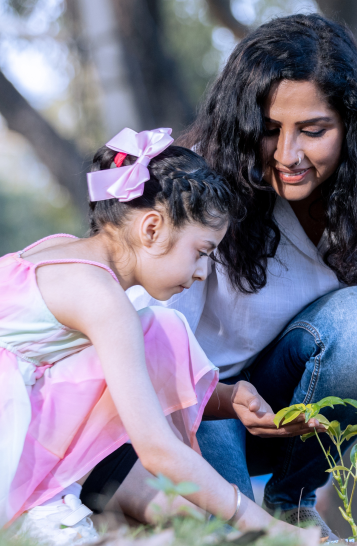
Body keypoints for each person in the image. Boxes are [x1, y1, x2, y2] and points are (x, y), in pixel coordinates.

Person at [123, 14, 357, 539]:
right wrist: (227, 403)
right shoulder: (202, 185)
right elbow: (153, 357)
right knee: (234, 534)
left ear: (353, 126)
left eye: (313, 131)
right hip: (198, 409)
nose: (287, 155)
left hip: (304, 422)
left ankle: (292, 500)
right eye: (269, 130)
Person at [0, 128, 317, 546]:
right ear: (151, 228)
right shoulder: (102, 299)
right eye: (201, 252)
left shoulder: (60, 252)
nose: (203, 272)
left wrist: (230, 393)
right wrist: (264, 525)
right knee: (157, 329)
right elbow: (157, 448)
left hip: (29, 423)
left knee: (158, 329)